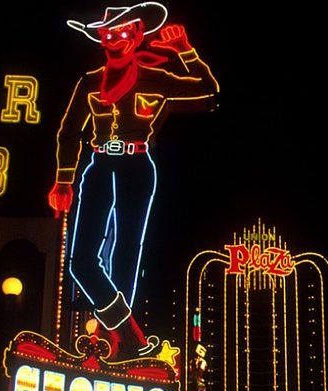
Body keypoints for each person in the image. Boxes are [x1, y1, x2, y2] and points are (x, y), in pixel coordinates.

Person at [47, 2, 219, 361]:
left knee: (127, 253)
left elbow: (209, 92)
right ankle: (131, 335)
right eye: (109, 33)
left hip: (138, 166)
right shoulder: (91, 81)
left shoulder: (155, 79)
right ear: (101, 39)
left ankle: (120, 346)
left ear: (138, 35)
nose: (116, 39)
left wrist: (185, 51)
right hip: (98, 166)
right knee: (81, 261)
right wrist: (63, 180)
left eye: (125, 32)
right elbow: (68, 132)